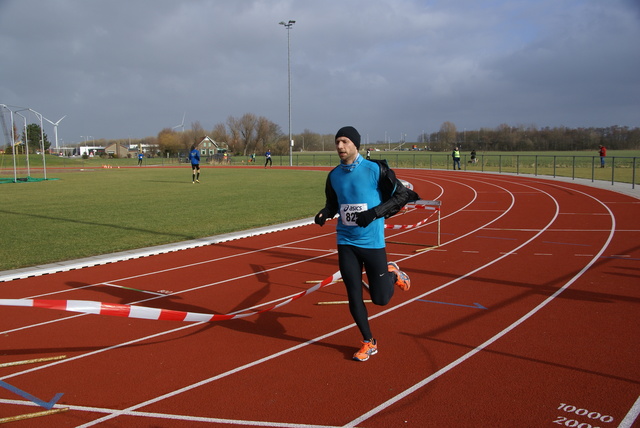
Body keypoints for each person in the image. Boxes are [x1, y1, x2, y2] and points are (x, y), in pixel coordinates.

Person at [315, 126, 419, 362]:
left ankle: (393, 274)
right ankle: (368, 342)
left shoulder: (375, 170)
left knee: (380, 299)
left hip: (372, 242)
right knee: (353, 294)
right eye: (337, 142)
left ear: (355, 144)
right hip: (345, 241)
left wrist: (373, 213)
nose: (340, 146)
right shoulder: (333, 176)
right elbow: (333, 204)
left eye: (344, 141)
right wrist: (324, 212)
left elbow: (402, 195)